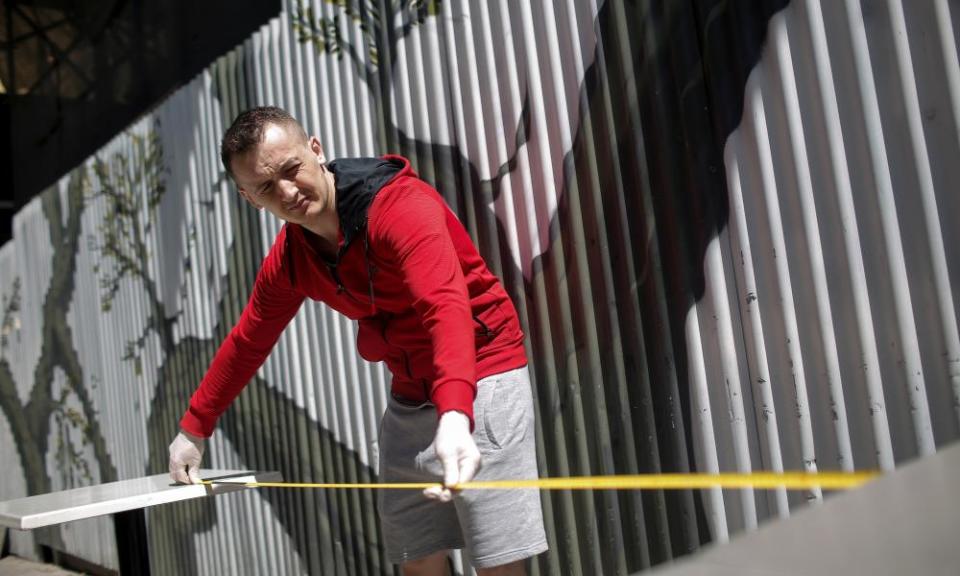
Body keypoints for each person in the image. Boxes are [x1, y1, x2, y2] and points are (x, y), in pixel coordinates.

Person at [168, 106, 547, 575]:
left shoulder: (400, 206)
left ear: (316, 150)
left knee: (497, 562)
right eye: (266, 187)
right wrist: (194, 427)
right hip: (410, 395)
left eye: (291, 170)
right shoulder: (291, 258)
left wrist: (455, 414)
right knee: (417, 558)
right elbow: (249, 340)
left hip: (482, 374)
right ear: (249, 198)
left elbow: (445, 307)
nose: (287, 191)